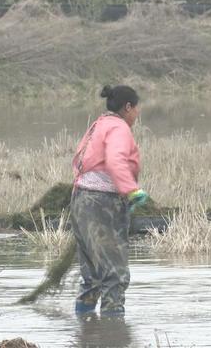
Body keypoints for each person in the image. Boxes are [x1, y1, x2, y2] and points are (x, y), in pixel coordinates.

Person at [70, 85, 149, 317]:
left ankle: (85, 331)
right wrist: (131, 190)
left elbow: (79, 161)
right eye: (136, 109)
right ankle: (113, 335)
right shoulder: (119, 127)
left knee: (92, 277)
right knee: (115, 275)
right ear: (128, 107)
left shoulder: (99, 124)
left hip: (80, 200)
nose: (137, 114)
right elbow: (115, 161)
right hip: (102, 204)